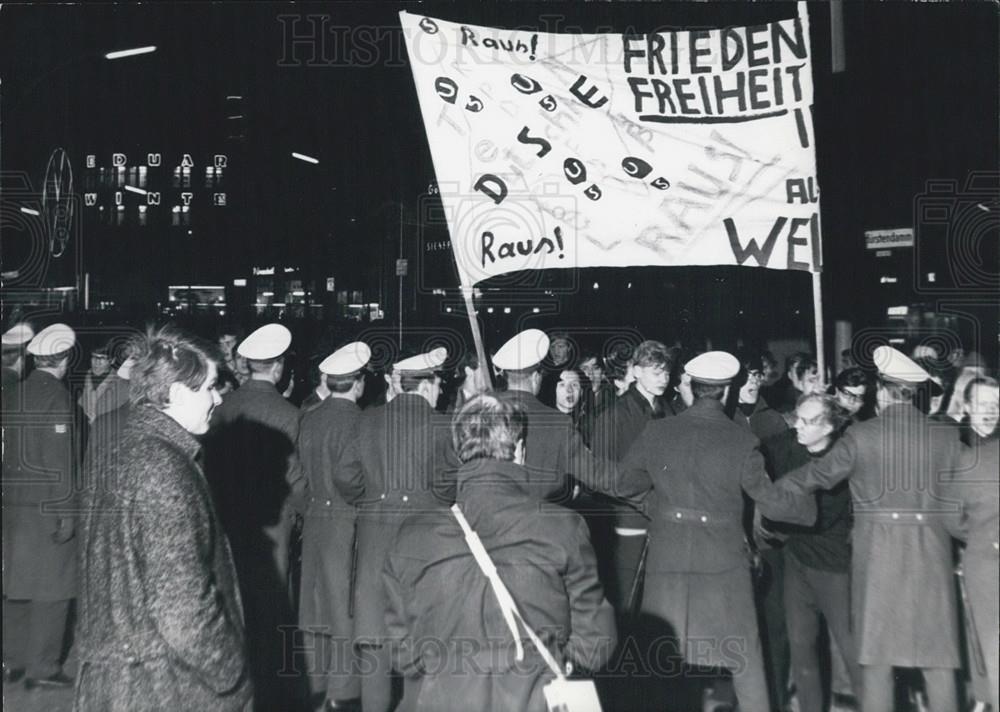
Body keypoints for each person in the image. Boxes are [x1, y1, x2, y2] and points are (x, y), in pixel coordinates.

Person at [382, 394, 616, 712]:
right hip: (536, 698)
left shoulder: (411, 538)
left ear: (459, 453)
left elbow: (403, 654)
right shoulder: (564, 526)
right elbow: (596, 644)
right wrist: (563, 663)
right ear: (520, 451)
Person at [616, 351, 816, 712]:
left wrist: (660, 510)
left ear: (691, 386)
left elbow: (625, 484)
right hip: (723, 566)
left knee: (663, 657)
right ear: (728, 392)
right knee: (745, 658)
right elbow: (770, 502)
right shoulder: (741, 441)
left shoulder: (658, 430)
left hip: (668, 563)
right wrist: (807, 505)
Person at [74, 325, 251, 711]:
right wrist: (232, 675)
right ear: (175, 394)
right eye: (209, 387)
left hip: (122, 677)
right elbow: (182, 609)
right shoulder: (163, 469)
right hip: (164, 685)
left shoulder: (125, 450)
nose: (218, 399)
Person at [778, 346, 963, 712]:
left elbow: (813, 477)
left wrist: (770, 494)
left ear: (881, 391)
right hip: (932, 559)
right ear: (915, 393)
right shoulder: (946, 438)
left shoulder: (860, 436)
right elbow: (961, 509)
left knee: (876, 663)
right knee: (938, 663)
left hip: (876, 562)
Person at [333, 347, 457, 712]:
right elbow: (450, 485)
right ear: (429, 384)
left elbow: (344, 476)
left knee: (375, 650)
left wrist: (372, 501)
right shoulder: (441, 425)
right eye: (439, 383)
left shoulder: (367, 420)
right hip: (424, 553)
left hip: (374, 551)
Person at [204, 322, 307, 710]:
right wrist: (302, 520)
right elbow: (297, 480)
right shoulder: (289, 413)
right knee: (273, 605)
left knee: (232, 601)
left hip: (227, 519)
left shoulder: (223, 407)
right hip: (275, 523)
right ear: (278, 367)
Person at [760, 394, 862, 712]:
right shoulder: (789, 444)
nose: (798, 427)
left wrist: (772, 522)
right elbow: (755, 452)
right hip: (798, 562)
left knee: (851, 651)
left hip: (834, 568)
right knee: (801, 648)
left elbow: (818, 517)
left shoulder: (842, 461)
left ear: (829, 426)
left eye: (807, 422)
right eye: (797, 419)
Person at [2, 323, 78, 690]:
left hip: (14, 506)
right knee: (54, 588)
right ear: (63, 359)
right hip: (45, 506)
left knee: (16, 585)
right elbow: (59, 461)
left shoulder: (15, 393)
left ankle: (12, 661)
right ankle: (43, 668)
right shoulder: (57, 398)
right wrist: (66, 512)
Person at [297, 342, 371, 711]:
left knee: (314, 608)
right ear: (357, 382)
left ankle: (315, 686)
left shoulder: (309, 416)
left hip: (314, 522)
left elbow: (297, 476)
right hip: (347, 522)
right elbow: (354, 478)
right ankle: (343, 693)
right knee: (344, 609)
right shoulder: (360, 421)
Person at [592, 340, 676, 617]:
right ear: (636, 372)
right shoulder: (613, 416)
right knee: (626, 601)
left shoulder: (670, 413)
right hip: (628, 521)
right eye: (656, 372)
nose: (663, 378)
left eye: (666, 372)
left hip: (666, 521)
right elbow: (602, 476)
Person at [492, 329, 619, 503]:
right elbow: (595, 474)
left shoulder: (476, 411)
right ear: (536, 377)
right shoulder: (557, 422)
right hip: (540, 517)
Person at [944, 376, 999, 712]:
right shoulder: (952, 447)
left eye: (996, 406)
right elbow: (946, 514)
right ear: (965, 407)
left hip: (984, 553)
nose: (991, 413)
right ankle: (981, 695)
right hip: (955, 553)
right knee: (972, 632)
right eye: (983, 406)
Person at [80, 344, 112, 423]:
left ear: (112, 360)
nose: (97, 362)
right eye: (94, 357)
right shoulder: (83, 377)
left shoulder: (120, 383)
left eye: (102, 358)